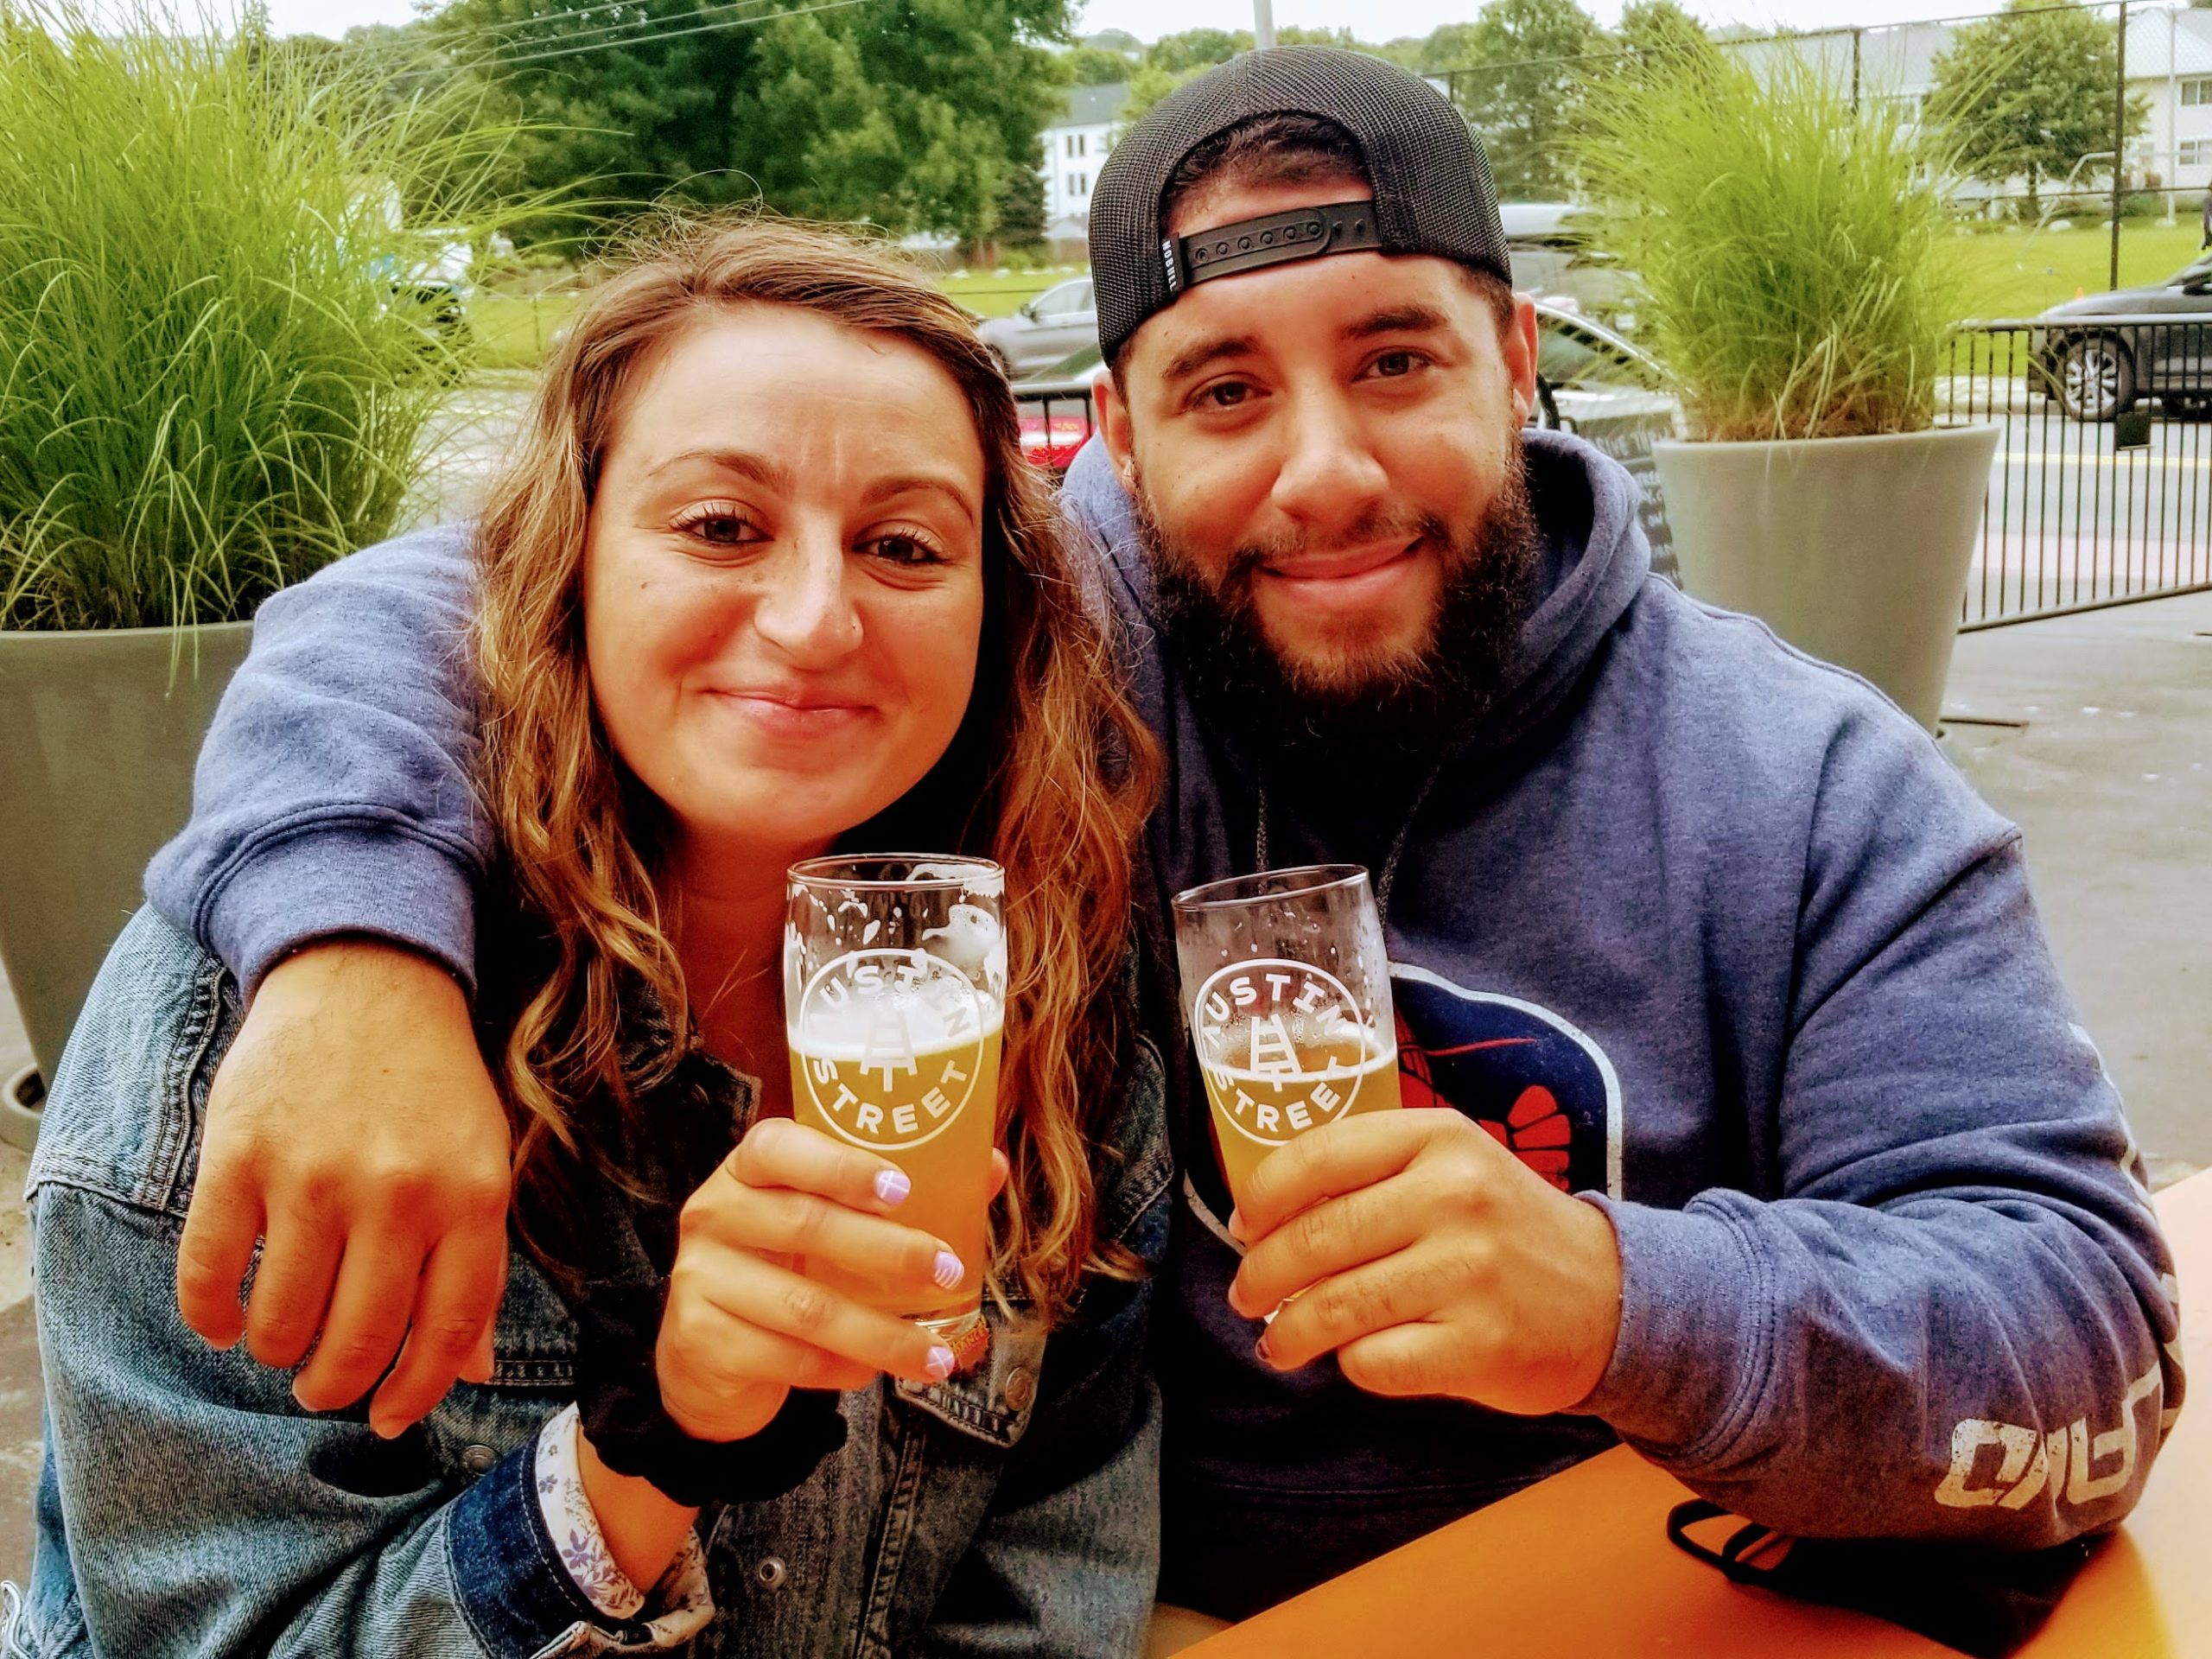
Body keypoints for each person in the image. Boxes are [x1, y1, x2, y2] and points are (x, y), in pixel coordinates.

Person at [126, 48, 2180, 1630]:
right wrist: (350, 954)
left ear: (1517, 361)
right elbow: (496, 599)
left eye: (1394, 362)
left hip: (1626, 1577)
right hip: (1131, 1604)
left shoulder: (1807, 786)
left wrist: (1619, 1301)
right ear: (1111, 432)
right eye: (1219, 391)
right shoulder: (1040, 641)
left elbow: (2085, 1339)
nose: (1320, 472)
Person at [22, 219, 1170, 1656]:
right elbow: (214, 1628)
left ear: (994, 610)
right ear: (562, 562)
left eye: (901, 545)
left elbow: (1051, 1583)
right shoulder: (260, 1025)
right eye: (719, 526)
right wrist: (645, 1461)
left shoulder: (1053, 981)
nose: (816, 620)